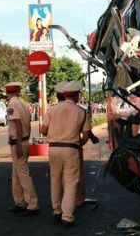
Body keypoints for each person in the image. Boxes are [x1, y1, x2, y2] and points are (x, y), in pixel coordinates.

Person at [42, 81, 91, 226]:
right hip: (71, 149)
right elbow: (86, 135)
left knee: (55, 179)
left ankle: (56, 209)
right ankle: (67, 216)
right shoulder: (81, 111)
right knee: (70, 182)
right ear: (77, 95)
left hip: (53, 149)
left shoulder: (52, 109)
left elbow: (43, 130)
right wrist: (77, 145)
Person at [5, 82, 39, 215]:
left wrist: (19, 144)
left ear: (7, 93)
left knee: (23, 173)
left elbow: (18, 124)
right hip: (24, 140)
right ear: (18, 92)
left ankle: (32, 203)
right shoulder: (24, 105)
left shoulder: (11, 105)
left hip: (17, 143)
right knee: (17, 173)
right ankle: (20, 201)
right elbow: (28, 125)